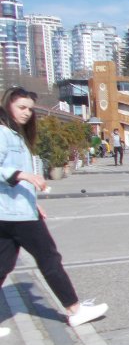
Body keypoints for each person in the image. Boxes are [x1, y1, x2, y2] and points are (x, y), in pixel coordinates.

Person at [0, 87, 108, 328]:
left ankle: (74, 308)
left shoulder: (14, 134)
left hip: (13, 211)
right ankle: (74, 309)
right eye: (21, 107)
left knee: (3, 265)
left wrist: (32, 203)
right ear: (7, 106)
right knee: (49, 258)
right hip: (16, 215)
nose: (27, 113)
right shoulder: (3, 133)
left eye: (30, 109)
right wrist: (23, 175)